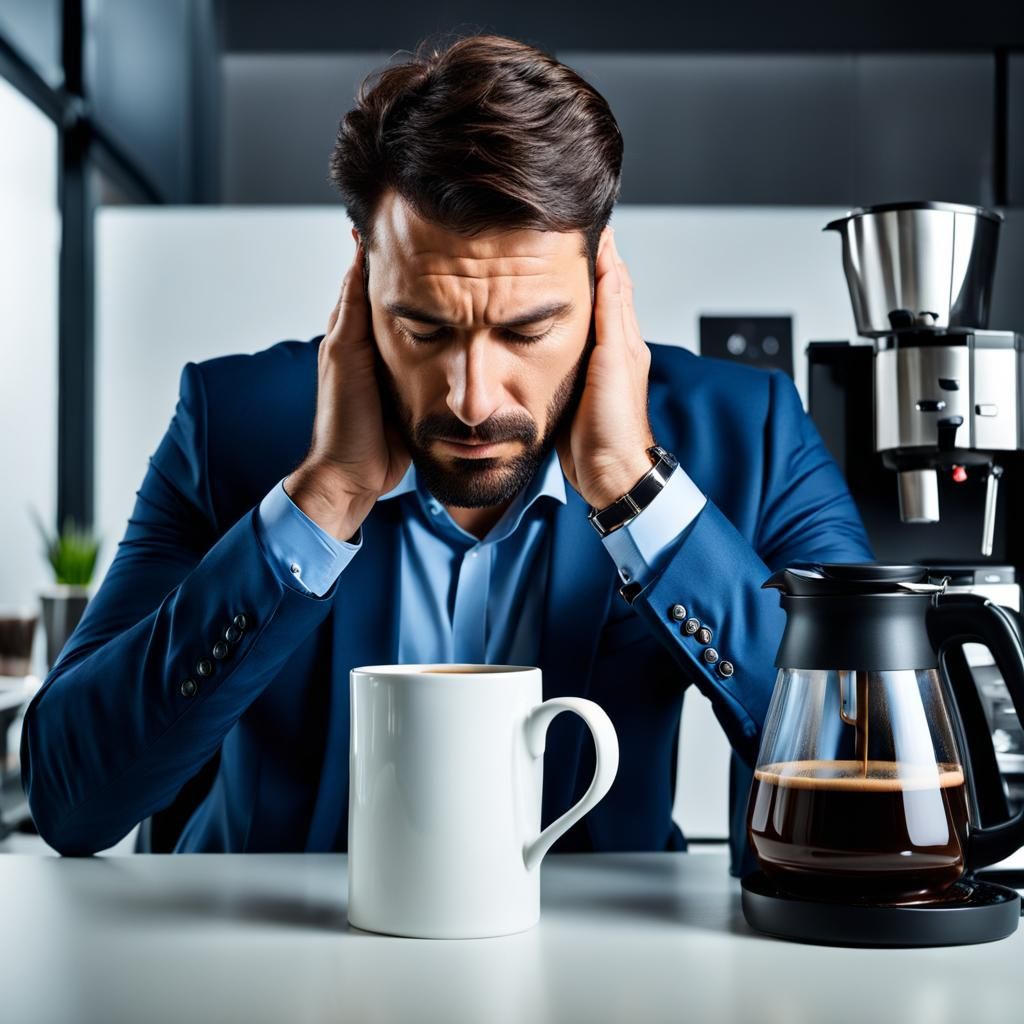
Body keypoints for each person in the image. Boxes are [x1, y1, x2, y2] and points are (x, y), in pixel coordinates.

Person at [21, 33, 873, 868]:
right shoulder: (230, 422)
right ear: (362, 277)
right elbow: (69, 798)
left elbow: (876, 752)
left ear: (603, 282)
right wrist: (323, 497)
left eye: (528, 328)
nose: (471, 398)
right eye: (424, 327)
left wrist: (634, 491)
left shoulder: (745, 432)